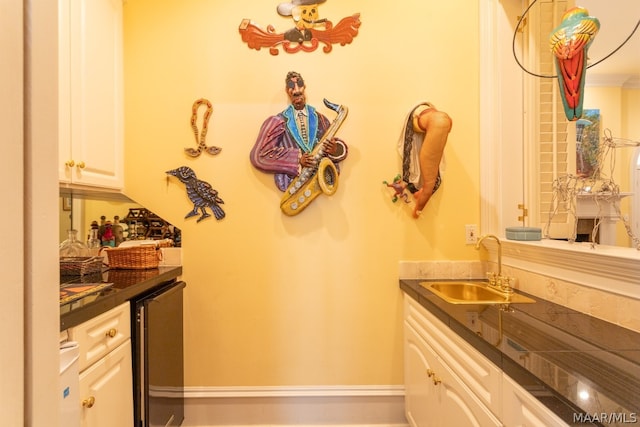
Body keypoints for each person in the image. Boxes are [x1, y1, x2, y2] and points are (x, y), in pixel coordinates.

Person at [250, 71, 348, 192]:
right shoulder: (278, 121)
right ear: (287, 90)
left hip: (321, 183)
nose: (296, 90)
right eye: (291, 86)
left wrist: (334, 149)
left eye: (299, 84)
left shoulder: (321, 119)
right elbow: (258, 156)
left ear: (304, 87)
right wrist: (297, 160)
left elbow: (332, 143)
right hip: (293, 186)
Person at [398, 102, 452, 218]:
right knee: (440, 121)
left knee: (441, 121)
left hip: (429, 119)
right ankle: (426, 190)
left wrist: (428, 188)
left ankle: (426, 190)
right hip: (426, 119)